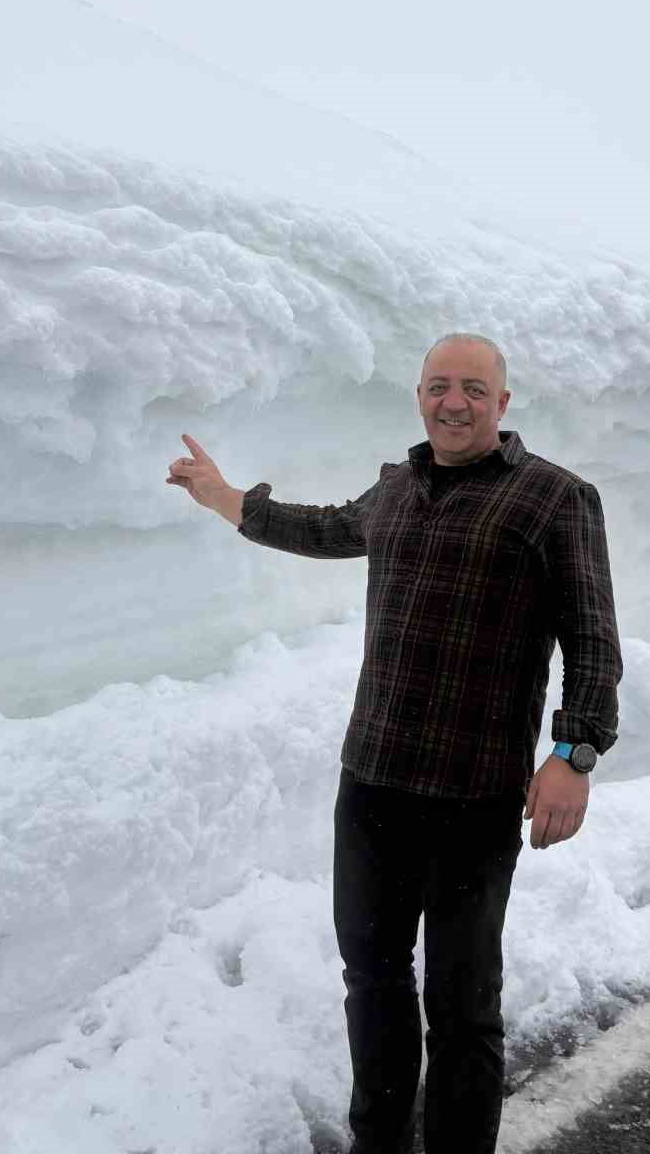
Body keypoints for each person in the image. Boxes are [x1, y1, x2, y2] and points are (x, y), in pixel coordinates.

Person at [167, 332, 622, 1154]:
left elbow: (592, 639)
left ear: (503, 403)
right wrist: (223, 496)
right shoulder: (397, 487)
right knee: (371, 982)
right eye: (439, 386)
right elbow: (322, 529)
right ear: (419, 396)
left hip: (476, 795)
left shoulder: (556, 498)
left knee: (462, 1008)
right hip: (373, 782)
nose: (455, 402)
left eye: (474, 390)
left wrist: (574, 754)